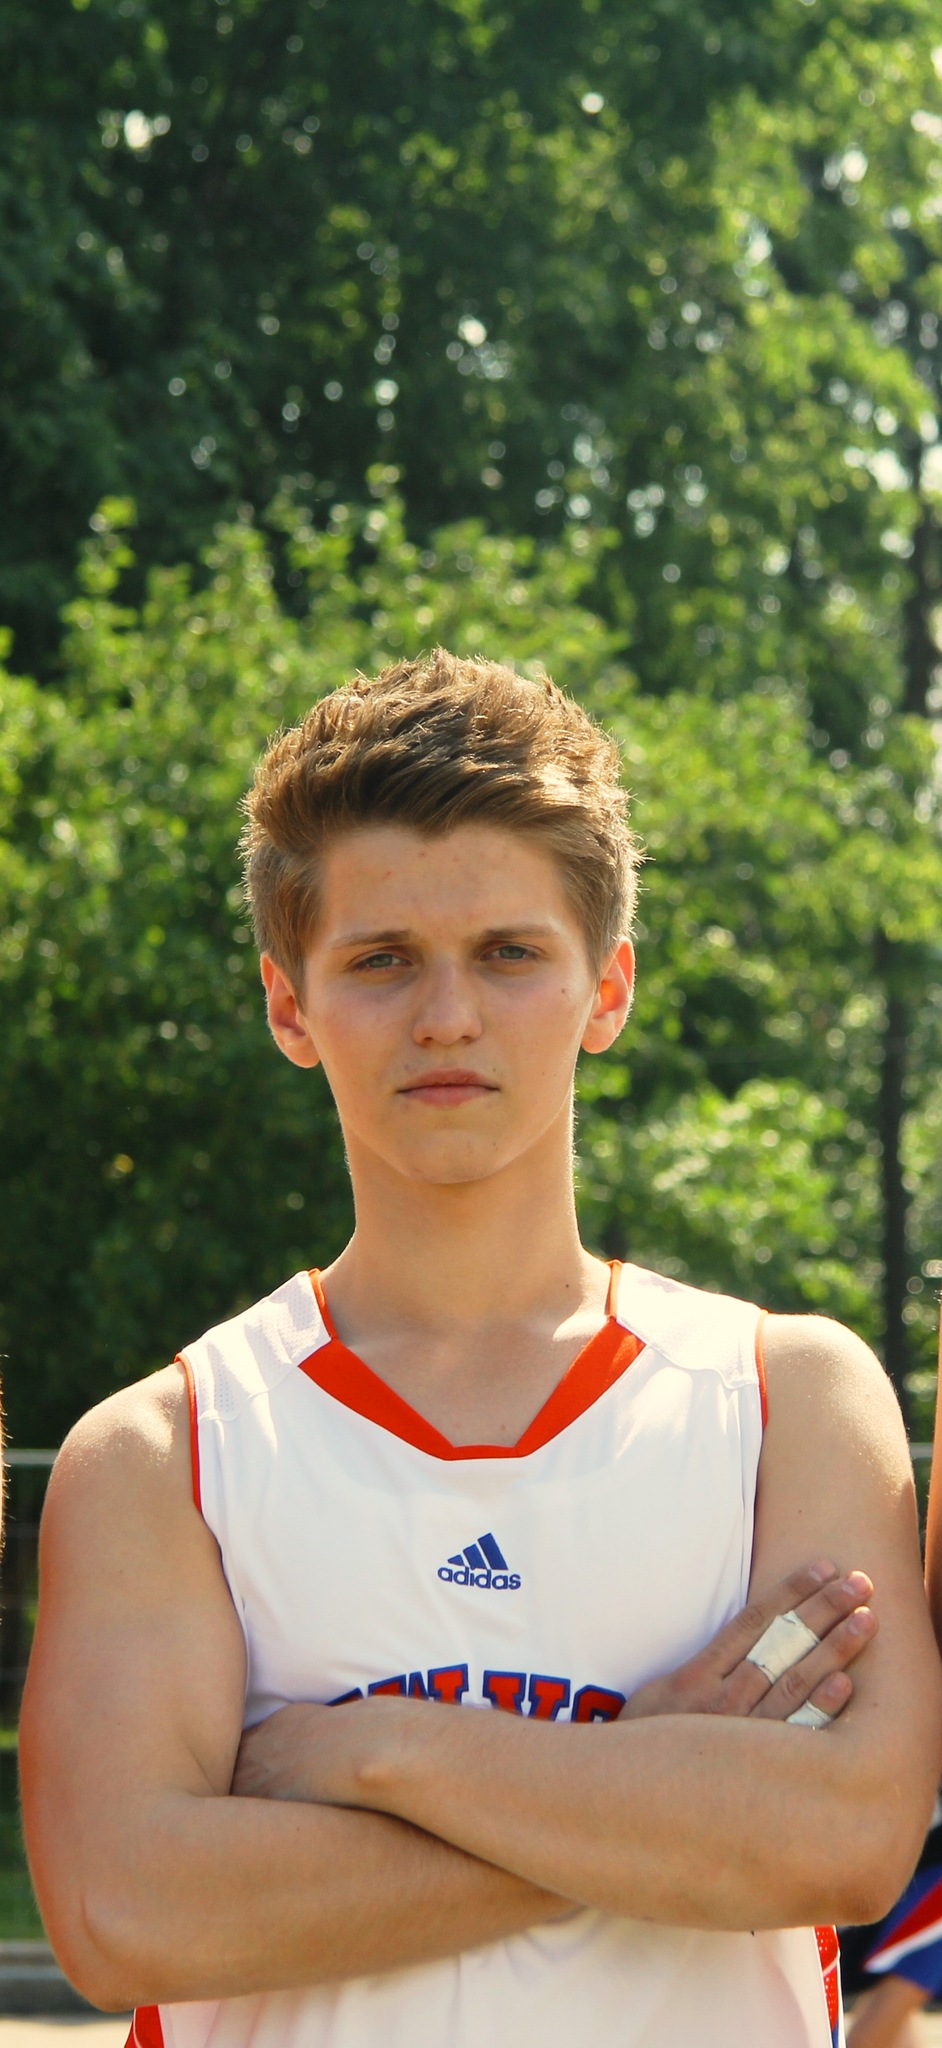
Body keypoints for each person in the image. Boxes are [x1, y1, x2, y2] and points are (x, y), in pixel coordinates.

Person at [19, 652, 942, 2048]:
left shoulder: (785, 1399)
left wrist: (379, 1753)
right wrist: (653, 1784)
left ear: (607, 988)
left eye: (509, 953)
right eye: (380, 960)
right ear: (288, 1005)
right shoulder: (168, 1451)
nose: (446, 1014)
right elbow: (126, 1914)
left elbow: (847, 1841)